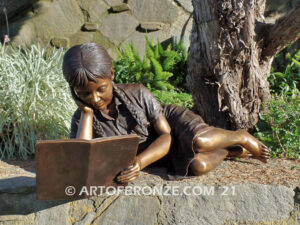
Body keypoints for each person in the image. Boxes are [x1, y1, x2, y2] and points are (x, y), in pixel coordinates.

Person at [63, 43, 270, 183]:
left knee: (200, 142)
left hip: (171, 127)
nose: (94, 98)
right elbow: (82, 162)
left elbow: (166, 135)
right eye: (84, 94)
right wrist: (87, 114)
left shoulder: (137, 92)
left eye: (100, 89)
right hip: (158, 155)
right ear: (74, 91)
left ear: (112, 75)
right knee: (198, 166)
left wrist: (139, 162)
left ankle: (240, 136)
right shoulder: (81, 120)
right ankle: (230, 150)